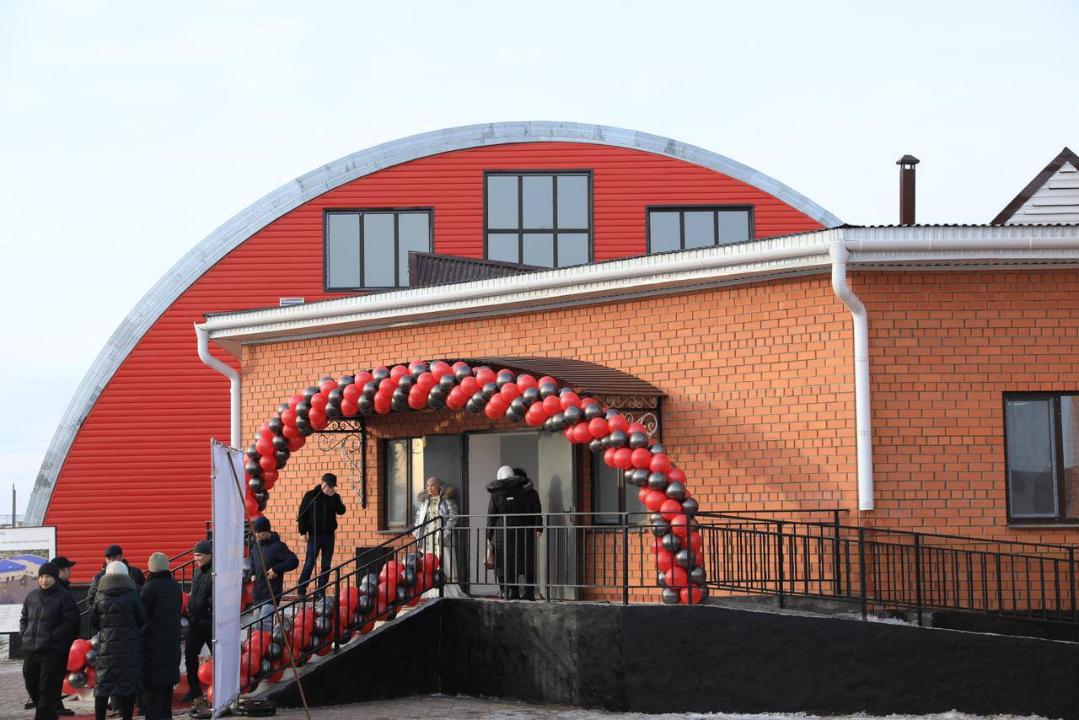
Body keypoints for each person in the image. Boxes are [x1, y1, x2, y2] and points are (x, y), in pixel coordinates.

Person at [21, 562, 79, 720]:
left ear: (54, 578)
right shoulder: (32, 596)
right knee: (30, 682)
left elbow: (70, 623)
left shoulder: (64, 597)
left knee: (47, 687)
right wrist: (24, 634)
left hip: (52, 651)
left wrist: (53, 637)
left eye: (48, 577)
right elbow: (24, 618)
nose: (44, 580)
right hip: (31, 649)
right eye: (41, 577)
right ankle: (49, 713)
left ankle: (43, 715)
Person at [91, 561, 146, 720]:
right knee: (128, 685)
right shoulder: (132, 594)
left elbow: (94, 621)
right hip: (130, 646)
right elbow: (142, 618)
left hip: (106, 647)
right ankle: (127, 717)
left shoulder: (100, 595)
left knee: (103, 686)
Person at [486, 465, 541, 600]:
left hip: (502, 533)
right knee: (526, 562)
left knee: (507, 562)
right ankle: (529, 592)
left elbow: (491, 516)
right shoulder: (526, 491)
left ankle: (512, 591)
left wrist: (489, 535)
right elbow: (535, 510)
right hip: (524, 531)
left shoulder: (496, 493)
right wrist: (538, 527)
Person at [140, 553, 182, 720]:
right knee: (166, 691)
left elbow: (142, 614)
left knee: (152, 694)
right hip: (171, 642)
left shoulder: (150, 588)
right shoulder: (175, 586)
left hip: (153, 644)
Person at [296, 472, 346, 597]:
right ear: (323, 483)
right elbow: (302, 515)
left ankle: (320, 591)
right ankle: (301, 589)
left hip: (329, 535)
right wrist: (302, 532)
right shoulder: (311, 495)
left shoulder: (334, 496)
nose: (330, 489)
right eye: (329, 486)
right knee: (309, 563)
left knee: (326, 565)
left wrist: (333, 497)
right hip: (314, 536)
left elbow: (341, 511)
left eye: (333, 486)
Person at [413, 476, 461, 597]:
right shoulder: (425, 501)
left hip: (442, 536)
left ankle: (447, 589)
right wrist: (417, 531)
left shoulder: (446, 500)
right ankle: (430, 589)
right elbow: (418, 518)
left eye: (432, 485)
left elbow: (454, 515)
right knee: (428, 563)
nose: (429, 488)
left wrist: (446, 531)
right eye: (427, 485)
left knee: (445, 561)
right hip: (428, 537)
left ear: (439, 486)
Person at [248, 516, 299, 629]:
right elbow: (252, 562)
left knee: (265, 623)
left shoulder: (278, 546)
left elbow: (293, 561)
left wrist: (276, 569)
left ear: (267, 531)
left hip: (271, 592)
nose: (257, 536)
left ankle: (268, 640)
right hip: (258, 592)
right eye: (256, 533)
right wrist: (252, 574)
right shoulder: (256, 547)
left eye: (259, 533)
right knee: (256, 625)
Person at [182, 540, 213, 703]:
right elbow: (194, 593)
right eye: (195, 555)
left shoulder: (215, 572)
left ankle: (220, 689)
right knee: (189, 655)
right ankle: (194, 689)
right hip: (195, 621)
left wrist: (207, 609)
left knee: (218, 655)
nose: (197, 558)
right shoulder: (197, 572)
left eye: (199, 555)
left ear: (209, 555)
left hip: (210, 622)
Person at [48, 557, 79, 716]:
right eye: (68, 568)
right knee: (55, 674)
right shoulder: (58, 591)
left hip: (60, 640)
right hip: (58, 641)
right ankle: (54, 705)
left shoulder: (62, 588)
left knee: (57, 673)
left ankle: (55, 703)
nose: (70, 572)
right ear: (60, 571)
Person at [512, 467, 543, 601]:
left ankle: (528, 592)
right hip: (517, 530)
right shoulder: (514, 492)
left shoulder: (531, 493)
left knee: (527, 562)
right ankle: (516, 591)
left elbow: (537, 510)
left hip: (524, 530)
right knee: (515, 562)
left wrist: (539, 527)